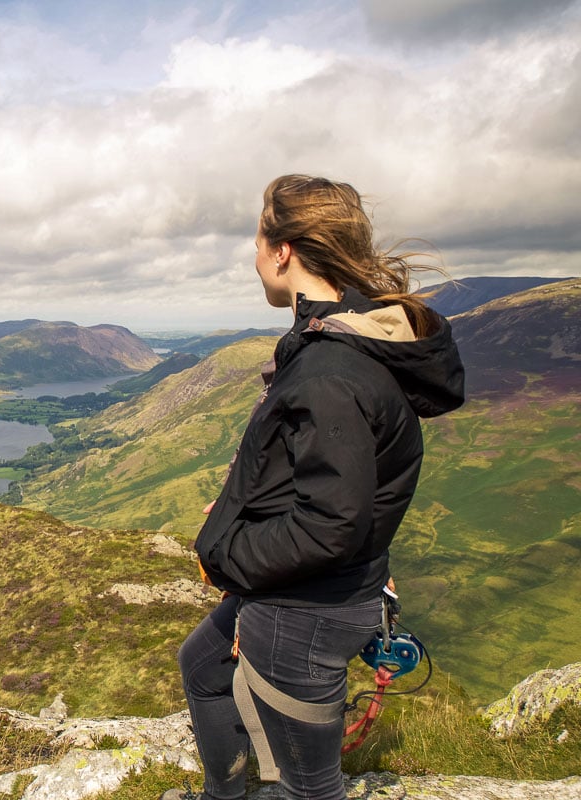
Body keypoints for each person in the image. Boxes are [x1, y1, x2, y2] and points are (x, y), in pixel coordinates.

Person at [173, 175, 465, 800]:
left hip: (305, 610)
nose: (254, 256)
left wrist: (224, 551)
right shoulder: (339, 338)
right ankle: (225, 794)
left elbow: (330, 522)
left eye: (257, 239)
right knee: (202, 666)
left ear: (283, 250)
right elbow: (329, 475)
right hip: (321, 589)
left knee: (307, 787)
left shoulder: (330, 368)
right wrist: (242, 509)